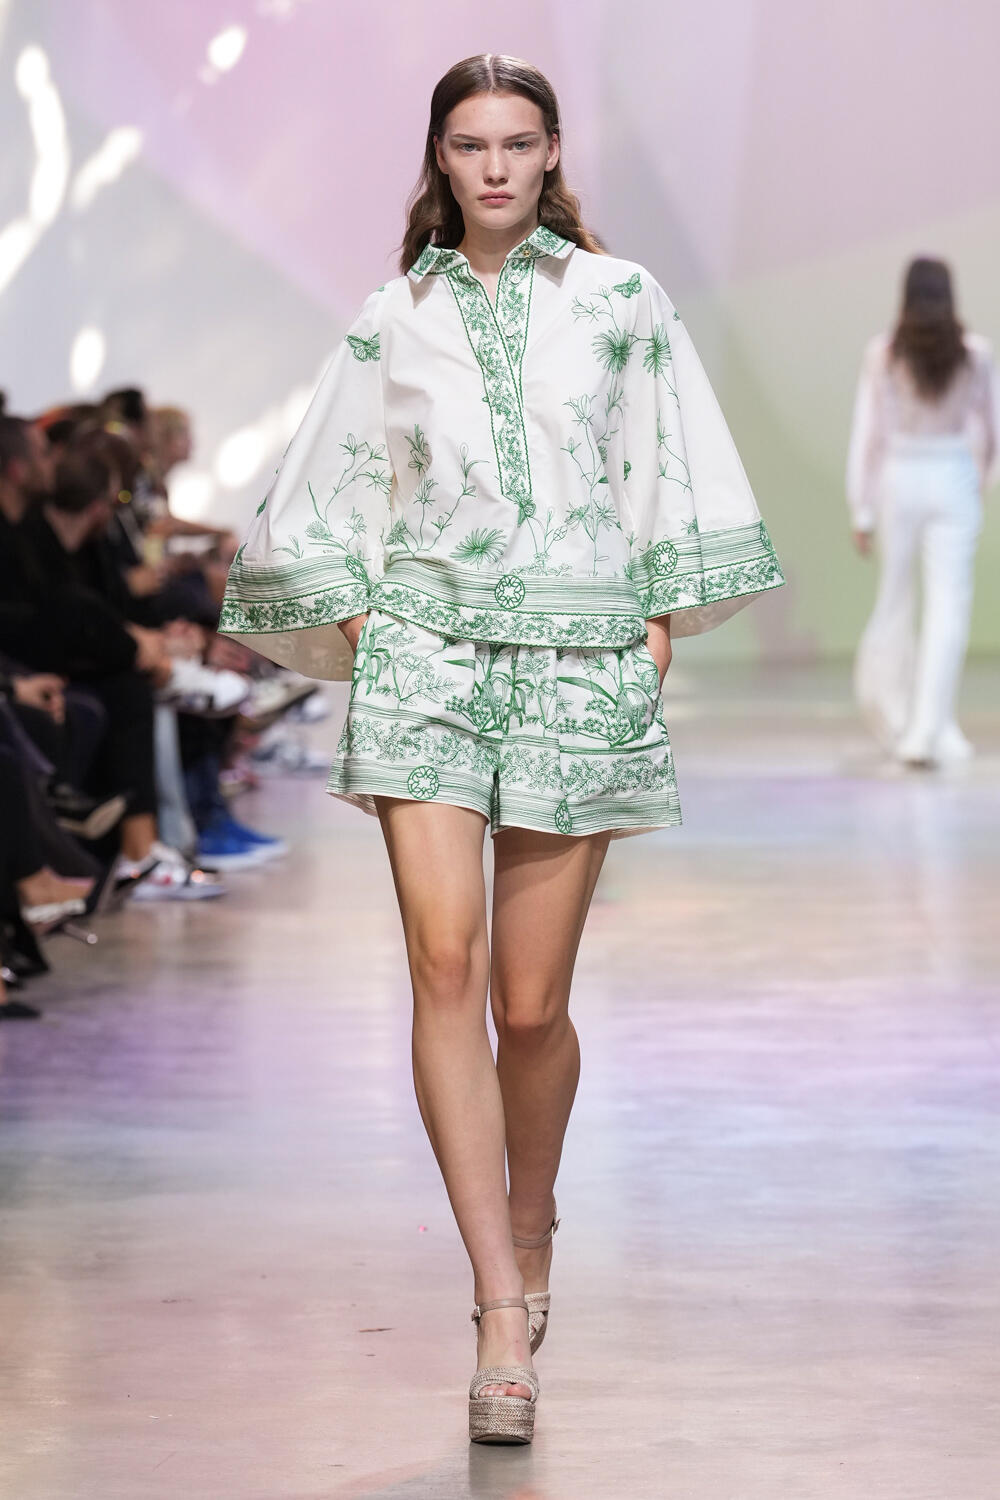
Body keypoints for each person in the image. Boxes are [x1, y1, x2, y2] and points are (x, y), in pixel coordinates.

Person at [221, 54, 784, 1445]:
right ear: (440, 156)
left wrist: (652, 622)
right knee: (444, 967)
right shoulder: (393, 317)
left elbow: (666, 458)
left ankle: (532, 1224)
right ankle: (495, 1312)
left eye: (516, 143)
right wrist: (368, 620)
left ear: (549, 155)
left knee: (530, 1009)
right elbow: (326, 478)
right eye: (469, 144)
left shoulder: (622, 301)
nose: (492, 167)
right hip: (427, 658)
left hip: (577, 659)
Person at [847, 257, 998, 766]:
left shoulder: (885, 353)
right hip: (954, 475)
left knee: (896, 600)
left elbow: (868, 435)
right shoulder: (975, 354)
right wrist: (978, 483)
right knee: (948, 606)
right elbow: (993, 432)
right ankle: (930, 728)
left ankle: (907, 724)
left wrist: (862, 510)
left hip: (900, 476)